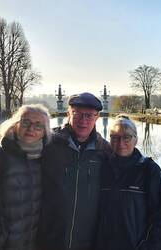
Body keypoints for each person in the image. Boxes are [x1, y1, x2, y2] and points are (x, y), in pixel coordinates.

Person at [39, 92, 111, 250]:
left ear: (97, 117)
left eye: (89, 116)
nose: (83, 121)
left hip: (87, 242)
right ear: (68, 114)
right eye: (77, 114)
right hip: (48, 240)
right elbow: (20, 150)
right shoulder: (48, 143)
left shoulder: (105, 151)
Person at [95, 115, 161, 250]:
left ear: (136, 140)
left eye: (126, 137)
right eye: (115, 137)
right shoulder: (101, 168)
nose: (120, 143)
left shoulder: (149, 171)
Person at [0, 104, 51, 250]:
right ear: (15, 125)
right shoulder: (2, 155)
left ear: (45, 132)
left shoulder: (45, 158)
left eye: (38, 125)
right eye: (25, 122)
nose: (31, 129)